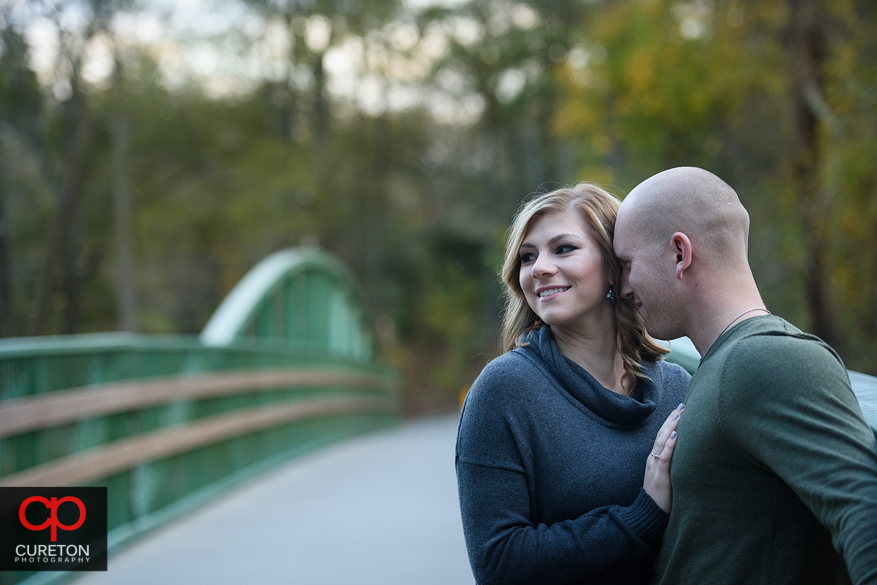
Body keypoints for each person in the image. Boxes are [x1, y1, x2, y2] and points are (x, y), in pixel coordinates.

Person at [613, 166, 877, 585]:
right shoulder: (727, 361)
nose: (623, 288)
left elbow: (865, 511)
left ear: (680, 254)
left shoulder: (765, 360)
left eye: (627, 264)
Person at [456, 184, 691, 585]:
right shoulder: (504, 392)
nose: (539, 268)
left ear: (615, 265)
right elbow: (498, 563)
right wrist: (641, 516)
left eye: (563, 248)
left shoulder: (678, 387)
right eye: (527, 257)